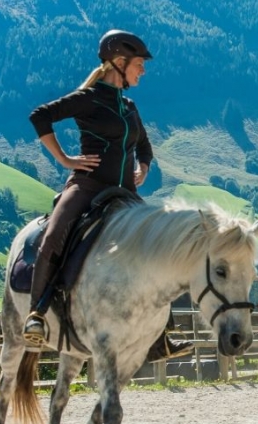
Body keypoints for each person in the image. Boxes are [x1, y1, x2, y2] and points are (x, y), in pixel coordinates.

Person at [25, 29, 191, 363]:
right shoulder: (87, 99)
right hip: (86, 188)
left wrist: (143, 167)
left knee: (159, 245)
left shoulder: (129, 107)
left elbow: (144, 146)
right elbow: (40, 116)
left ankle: (160, 336)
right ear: (119, 62)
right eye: (139, 64)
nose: (143, 70)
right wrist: (65, 159)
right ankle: (37, 315)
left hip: (124, 194)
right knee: (54, 235)